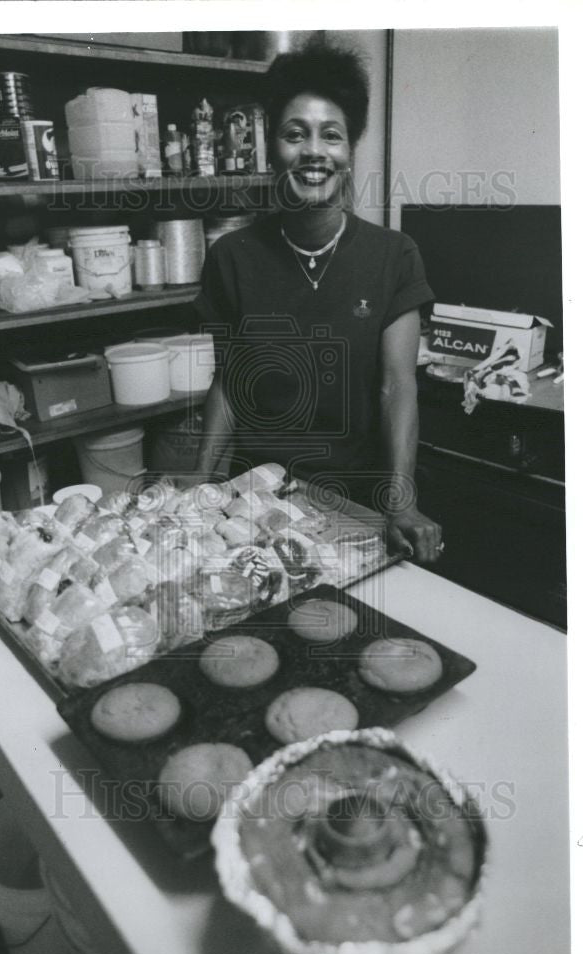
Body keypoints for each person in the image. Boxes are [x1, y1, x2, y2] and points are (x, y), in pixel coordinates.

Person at [193, 41, 443, 563]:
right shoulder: (231, 256)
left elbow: (397, 386)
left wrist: (402, 502)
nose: (313, 151)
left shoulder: (394, 256)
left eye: (331, 135)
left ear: (350, 151)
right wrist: (202, 483)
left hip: (352, 500)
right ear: (272, 149)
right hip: (253, 501)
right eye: (294, 134)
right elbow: (228, 383)